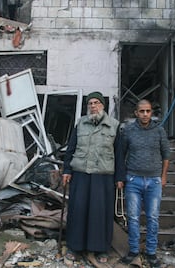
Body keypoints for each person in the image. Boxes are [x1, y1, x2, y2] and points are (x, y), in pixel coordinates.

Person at [61, 91, 124, 264]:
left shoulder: (114, 126)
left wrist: (120, 177)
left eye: (96, 103)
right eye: (90, 103)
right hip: (81, 174)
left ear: (103, 106)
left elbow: (119, 154)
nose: (93, 106)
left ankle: (101, 249)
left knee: (100, 213)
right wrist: (66, 170)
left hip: (103, 176)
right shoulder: (80, 123)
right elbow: (70, 148)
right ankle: (75, 247)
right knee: (78, 210)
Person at [120, 99, 170, 268]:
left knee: (153, 217)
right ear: (136, 113)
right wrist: (122, 177)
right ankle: (133, 250)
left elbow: (166, 155)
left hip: (154, 180)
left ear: (151, 113)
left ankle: (151, 252)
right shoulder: (128, 131)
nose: (145, 114)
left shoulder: (159, 130)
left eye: (148, 111)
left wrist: (163, 176)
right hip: (133, 180)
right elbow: (121, 154)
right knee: (133, 217)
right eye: (142, 111)